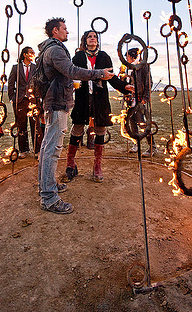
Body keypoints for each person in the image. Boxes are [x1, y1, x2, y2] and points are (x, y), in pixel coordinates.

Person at [37, 18, 114, 215]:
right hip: (56, 103)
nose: (67, 31)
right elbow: (71, 71)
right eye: (64, 28)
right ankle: (49, 197)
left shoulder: (53, 48)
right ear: (55, 30)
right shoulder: (55, 50)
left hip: (58, 101)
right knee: (52, 149)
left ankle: (49, 185)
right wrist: (98, 74)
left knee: (48, 147)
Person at [64, 30, 134, 183]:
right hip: (82, 97)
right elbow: (72, 74)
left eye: (95, 37)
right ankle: (70, 163)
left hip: (100, 98)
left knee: (100, 129)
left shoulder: (104, 57)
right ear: (85, 40)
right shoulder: (78, 57)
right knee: (77, 128)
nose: (93, 39)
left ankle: (97, 166)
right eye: (90, 36)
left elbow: (111, 77)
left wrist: (124, 87)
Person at [8, 46, 43, 158]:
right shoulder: (16, 68)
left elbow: (39, 83)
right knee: (21, 126)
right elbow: (10, 83)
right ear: (24, 54)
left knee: (35, 126)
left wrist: (38, 98)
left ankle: (37, 150)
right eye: (31, 52)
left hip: (33, 100)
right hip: (20, 100)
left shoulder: (36, 67)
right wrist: (13, 98)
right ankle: (24, 150)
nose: (33, 54)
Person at [124, 47, 157, 157]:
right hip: (129, 100)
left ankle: (152, 147)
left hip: (139, 100)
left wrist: (145, 98)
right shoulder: (126, 68)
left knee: (142, 123)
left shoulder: (143, 67)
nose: (125, 58)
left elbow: (148, 83)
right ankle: (136, 144)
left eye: (127, 56)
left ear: (132, 56)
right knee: (132, 123)